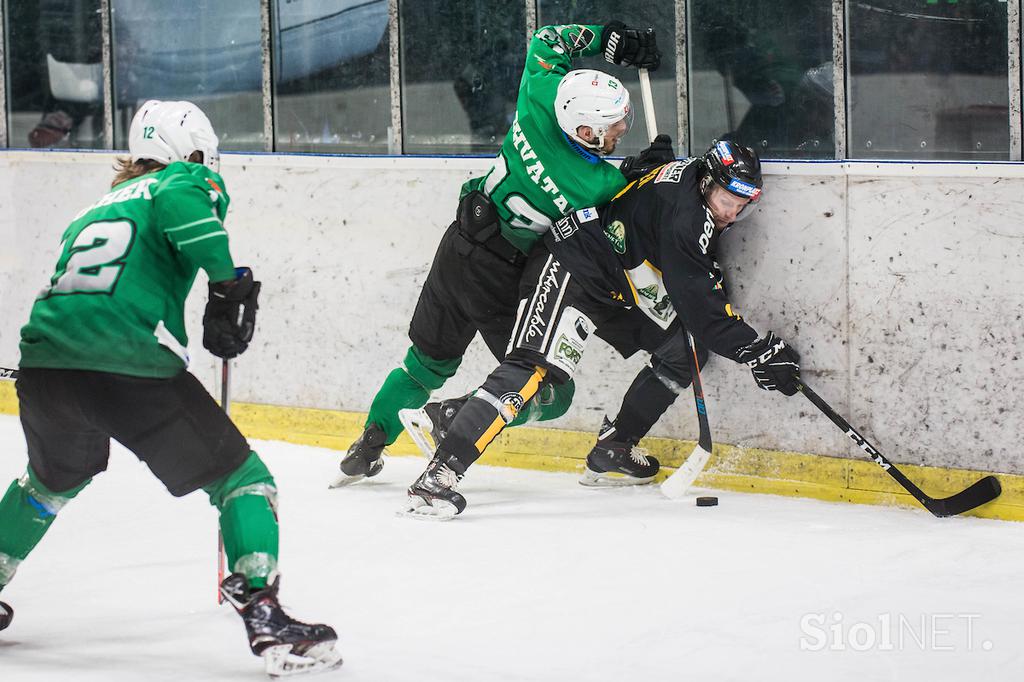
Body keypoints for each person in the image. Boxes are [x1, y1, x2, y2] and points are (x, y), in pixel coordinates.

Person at [0, 100, 342, 676]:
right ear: (193, 149)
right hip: (126, 362)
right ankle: (262, 607)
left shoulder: (93, 209)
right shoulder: (182, 177)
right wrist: (228, 280)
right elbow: (189, 207)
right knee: (243, 478)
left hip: (44, 368)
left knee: (50, 480)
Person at [332, 21, 670, 487]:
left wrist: (606, 39)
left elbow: (548, 39)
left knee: (425, 364)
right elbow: (625, 207)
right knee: (551, 387)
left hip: (456, 247)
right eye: (612, 128)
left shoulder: (538, 97)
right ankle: (454, 414)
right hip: (497, 276)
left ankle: (368, 442)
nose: (620, 133)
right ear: (584, 128)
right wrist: (646, 173)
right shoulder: (596, 184)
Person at [403, 139, 802, 518]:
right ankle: (439, 474)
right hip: (573, 262)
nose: (731, 214)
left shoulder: (693, 175)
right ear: (708, 182)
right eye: (726, 202)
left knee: (684, 352)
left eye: (740, 206)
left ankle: (615, 445)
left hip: (616, 283)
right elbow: (703, 311)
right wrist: (758, 351)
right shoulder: (688, 220)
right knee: (534, 368)